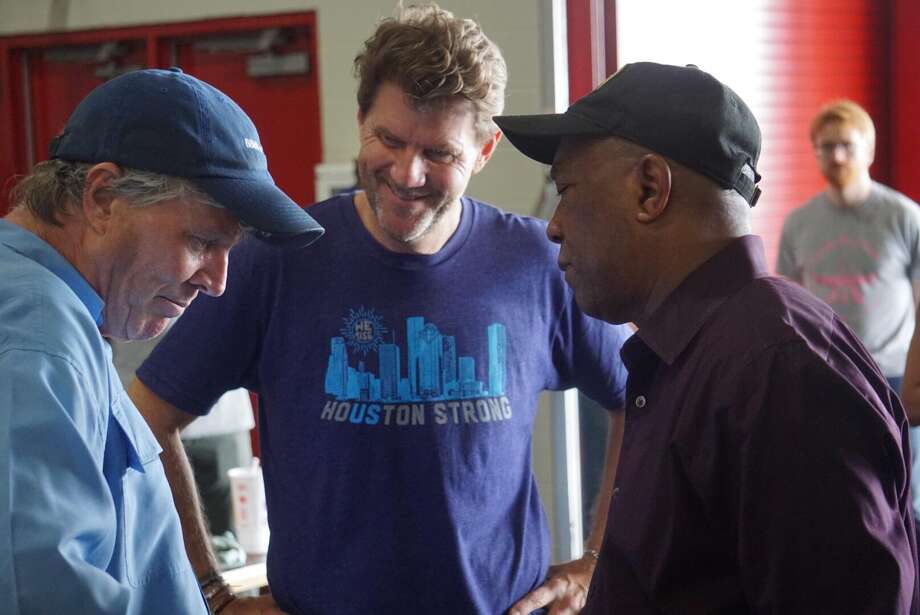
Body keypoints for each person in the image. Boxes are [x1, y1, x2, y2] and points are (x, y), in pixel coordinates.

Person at [128, 5, 631, 615]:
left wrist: (597, 562)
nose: (407, 173)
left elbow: (645, 396)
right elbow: (144, 418)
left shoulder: (536, 261)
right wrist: (209, 591)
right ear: (361, 117)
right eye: (388, 140)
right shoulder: (280, 257)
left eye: (439, 153)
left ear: (485, 148)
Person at [496, 62, 919, 613]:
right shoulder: (695, 355)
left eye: (568, 190)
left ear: (650, 189)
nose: (554, 225)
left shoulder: (779, 374)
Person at [0, 68, 323, 615]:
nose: (217, 282)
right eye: (201, 241)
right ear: (103, 196)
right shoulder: (34, 342)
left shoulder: (59, 317)